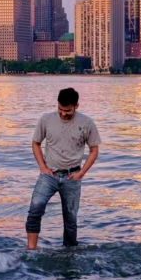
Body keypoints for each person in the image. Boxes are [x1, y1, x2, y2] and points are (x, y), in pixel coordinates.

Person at [25, 87, 101, 249]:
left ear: (76, 106)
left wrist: (81, 173)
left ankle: (69, 253)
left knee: (71, 220)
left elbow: (94, 150)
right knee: (35, 209)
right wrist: (42, 167)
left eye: (67, 110)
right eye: (60, 109)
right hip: (49, 175)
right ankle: (31, 251)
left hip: (72, 176)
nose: (63, 113)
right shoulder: (46, 120)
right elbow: (36, 143)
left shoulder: (86, 123)